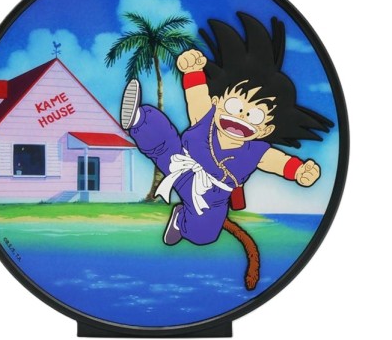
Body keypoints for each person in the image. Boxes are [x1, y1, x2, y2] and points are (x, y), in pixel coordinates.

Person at [120, 13, 333, 246]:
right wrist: (193, 71)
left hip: (213, 197)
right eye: (234, 106)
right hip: (180, 162)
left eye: (254, 115)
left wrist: (299, 171)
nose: (240, 116)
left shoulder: (256, 151)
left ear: (266, 129)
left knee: (206, 232)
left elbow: (278, 162)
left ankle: (181, 220)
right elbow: (196, 95)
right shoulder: (207, 116)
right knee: (162, 141)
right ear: (217, 101)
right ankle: (138, 118)